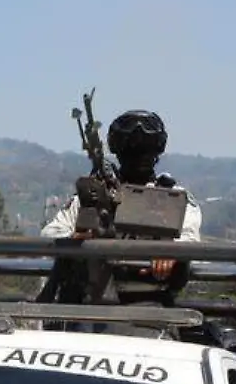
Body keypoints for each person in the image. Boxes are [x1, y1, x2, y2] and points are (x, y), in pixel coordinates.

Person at [41, 108, 202, 307]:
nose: (138, 153)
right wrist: (75, 240)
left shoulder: (174, 197)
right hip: (91, 304)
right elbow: (50, 234)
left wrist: (171, 252)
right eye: (130, 146)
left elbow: (190, 237)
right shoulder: (93, 195)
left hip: (151, 302)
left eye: (145, 147)